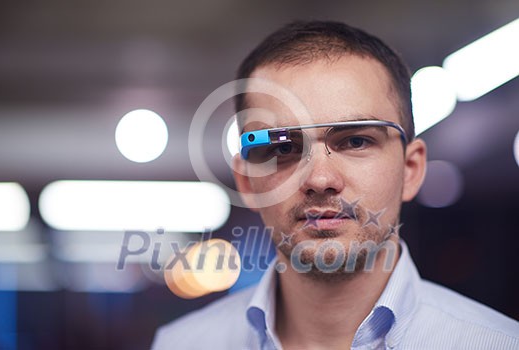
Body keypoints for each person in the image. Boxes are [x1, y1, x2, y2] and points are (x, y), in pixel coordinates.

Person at [152, 20, 519, 349]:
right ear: (247, 182)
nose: (320, 179)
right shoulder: (181, 344)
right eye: (282, 148)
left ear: (410, 169)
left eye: (356, 141)